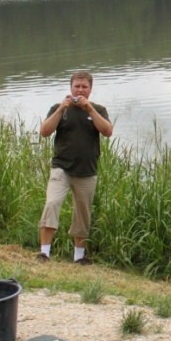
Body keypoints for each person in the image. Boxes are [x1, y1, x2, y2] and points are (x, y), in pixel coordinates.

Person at [37, 71, 113, 264]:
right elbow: (45, 132)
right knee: (52, 204)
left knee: (83, 212)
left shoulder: (98, 109)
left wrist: (90, 110)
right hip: (61, 168)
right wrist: (61, 109)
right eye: (77, 86)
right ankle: (44, 253)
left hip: (87, 170)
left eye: (84, 87)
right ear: (71, 88)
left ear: (90, 89)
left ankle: (79, 257)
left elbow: (107, 131)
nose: (80, 90)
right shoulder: (59, 108)